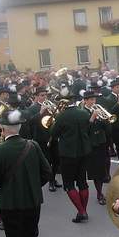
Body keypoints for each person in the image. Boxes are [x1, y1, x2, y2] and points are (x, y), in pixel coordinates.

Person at [49, 89, 93, 223]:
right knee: (82, 182)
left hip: (68, 154)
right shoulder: (84, 113)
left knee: (69, 184)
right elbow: (88, 129)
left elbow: (54, 133)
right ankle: (83, 211)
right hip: (84, 151)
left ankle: (81, 211)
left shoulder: (61, 116)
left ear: (64, 101)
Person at [26, 87, 61, 192]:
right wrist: (40, 113)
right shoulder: (32, 108)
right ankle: (50, 181)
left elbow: (56, 119)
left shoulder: (51, 105)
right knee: (48, 160)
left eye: (45, 95)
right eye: (42, 95)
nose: (44, 97)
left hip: (53, 135)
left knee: (56, 160)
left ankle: (53, 178)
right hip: (41, 138)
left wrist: (56, 112)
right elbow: (30, 123)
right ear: (36, 97)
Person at [83, 91, 110, 205]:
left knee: (102, 168)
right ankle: (99, 193)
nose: (94, 102)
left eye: (94, 99)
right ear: (85, 101)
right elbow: (84, 131)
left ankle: (100, 191)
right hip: (91, 145)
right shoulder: (82, 113)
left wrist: (105, 119)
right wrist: (92, 118)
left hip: (101, 142)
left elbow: (106, 128)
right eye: (91, 100)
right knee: (96, 171)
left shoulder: (98, 110)